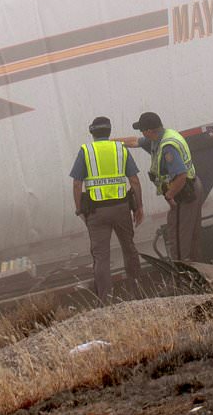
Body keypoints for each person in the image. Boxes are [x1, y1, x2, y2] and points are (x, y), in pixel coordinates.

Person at [70, 116, 144, 300]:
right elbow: (134, 180)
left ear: (92, 132)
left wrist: (79, 210)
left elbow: (77, 184)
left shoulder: (86, 151)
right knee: (129, 249)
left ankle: (106, 301)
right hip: (121, 208)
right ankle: (138, 293)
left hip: (96, 212)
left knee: (101, 257)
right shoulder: (120, 149)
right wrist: (139, 207)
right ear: (109, 131)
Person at [117, 111, 203, 262]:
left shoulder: (168, 146)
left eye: (142, 130)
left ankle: (183, 271)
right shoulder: (160, 137)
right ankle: (196, 269)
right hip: (190, 187)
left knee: (178, 235)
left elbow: (181, 175)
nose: (142, 133)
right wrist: (109, 142)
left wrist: (169, 195)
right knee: (189, 234)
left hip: (184, 191)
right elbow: (135, 141)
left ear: (149, 131)